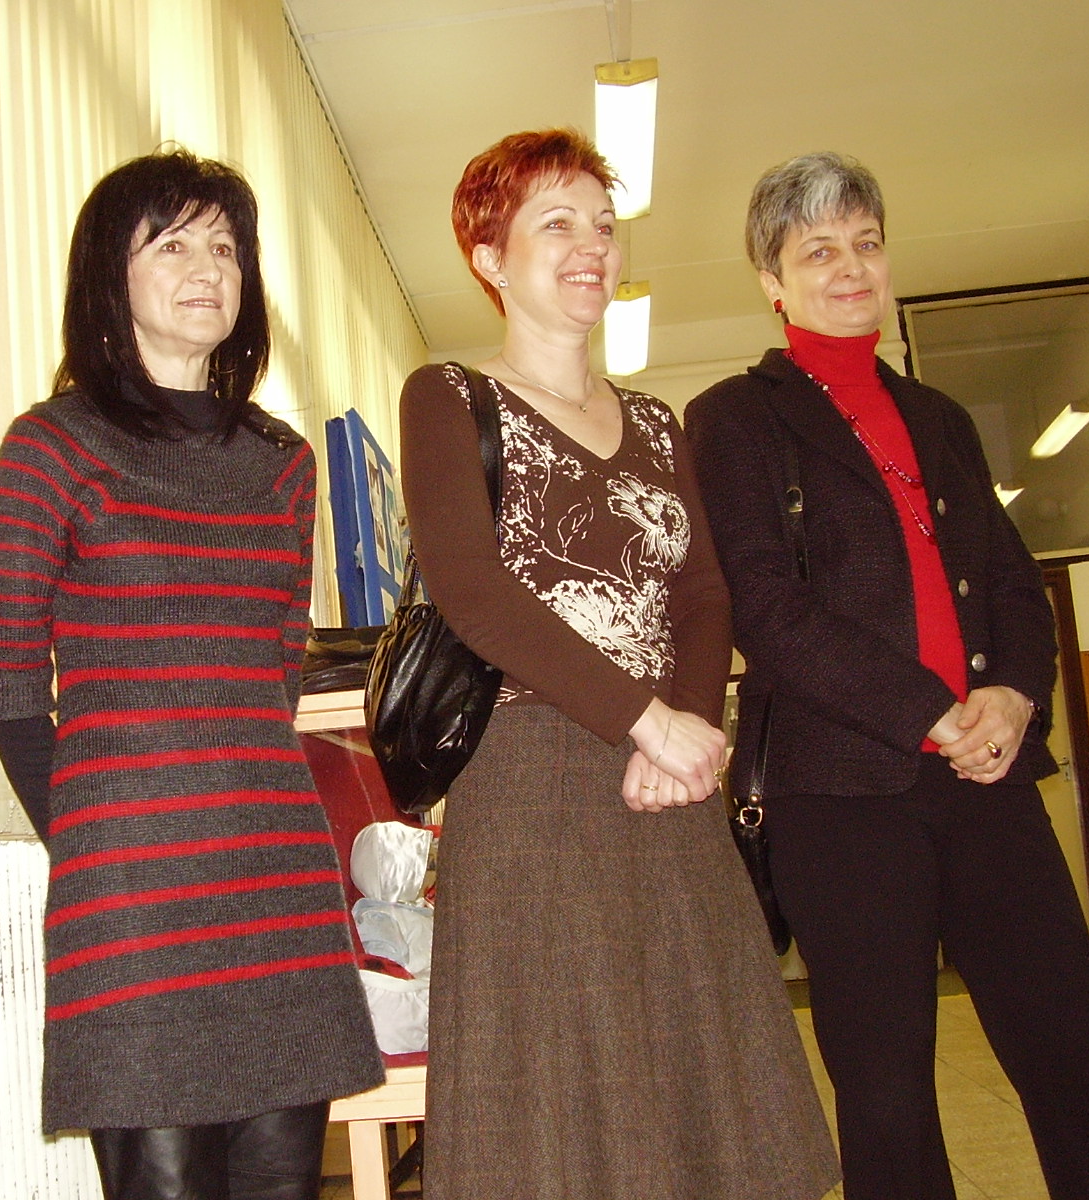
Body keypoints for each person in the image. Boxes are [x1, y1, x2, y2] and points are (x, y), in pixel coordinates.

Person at [684, 151, 1089, 1200]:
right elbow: (765, 608)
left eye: (866, 243)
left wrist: (1013, 697)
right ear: (773, 282)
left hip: (987, 782)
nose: (851, 267)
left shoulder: (940, 417)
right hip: (839, 796)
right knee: (885, 1095)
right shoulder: (734, 418)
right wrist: (930, 712)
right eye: (819, 250)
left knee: (1078, 1056)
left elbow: (1013, 581)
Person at [399, 128, 838, 1200]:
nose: (592, 245)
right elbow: (471, 588)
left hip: (667, 785)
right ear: (490, 257)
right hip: (530, 779)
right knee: (555, 1096)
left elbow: (704, 593)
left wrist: (686, 730)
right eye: (556, 224)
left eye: (603, 224)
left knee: (697, 1075)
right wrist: (647, 720)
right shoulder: (448, 396)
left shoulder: (652, 419)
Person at [0, 148, 383, 1200]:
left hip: (277, 873)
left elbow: (276, 662)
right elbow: (6, 674)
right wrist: (94, 837)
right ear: (108, 276)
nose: (207, 267)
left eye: (226, 247)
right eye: (172, 244)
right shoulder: (53, 445)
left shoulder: (281, 462)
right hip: (131, 893)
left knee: (285, 1183)